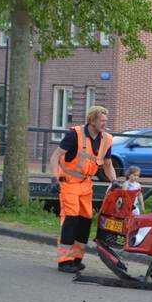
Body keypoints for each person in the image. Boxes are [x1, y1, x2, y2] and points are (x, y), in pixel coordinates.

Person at [49, 106, 116, 273]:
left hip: (86, 185)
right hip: (69, 183)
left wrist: (115, 181)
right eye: (102, 120)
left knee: (85, 220)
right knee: (71, 219)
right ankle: (64, 261)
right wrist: (53, 178)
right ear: (91, 120)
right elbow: (55, 156)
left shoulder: (107, 140)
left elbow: (107, 164)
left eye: (106, 120)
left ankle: (77, 259)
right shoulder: (74, 135)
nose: (105, 123)